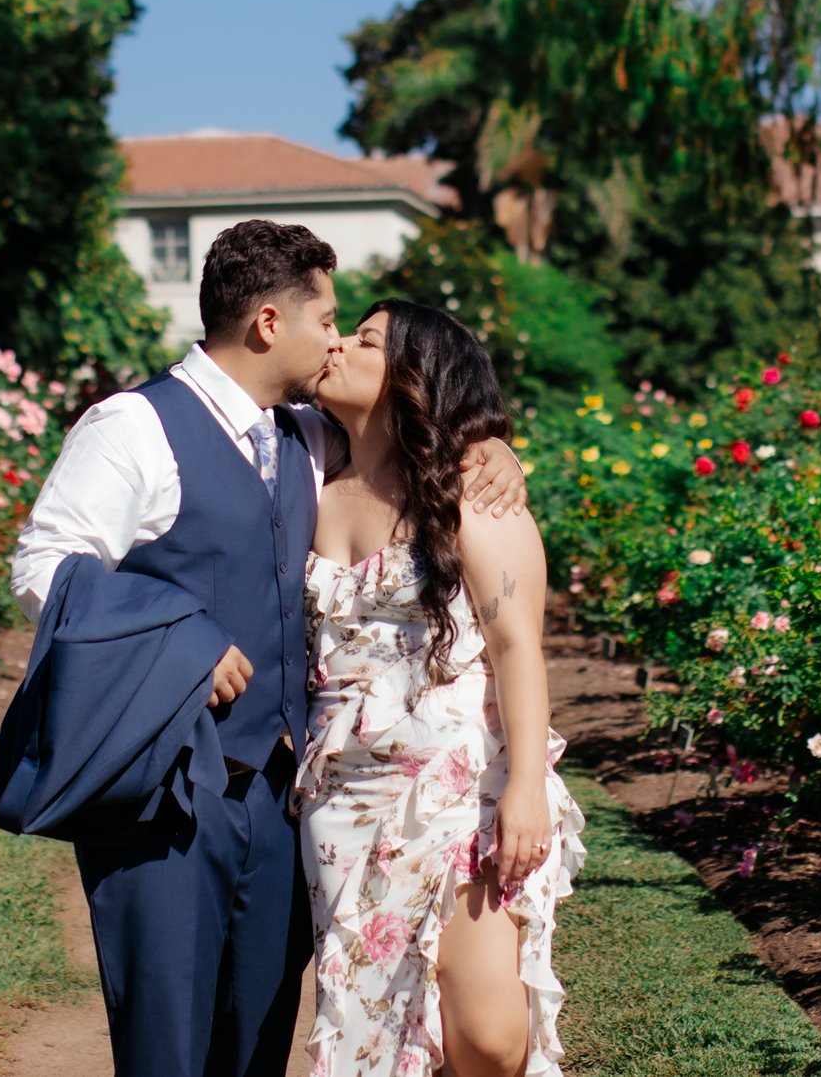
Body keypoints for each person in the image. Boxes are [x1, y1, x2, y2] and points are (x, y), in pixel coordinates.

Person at [7, 220, 526, 1077]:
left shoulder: (303, 436)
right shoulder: (133, 426)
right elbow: (45, 565)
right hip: (166, 791)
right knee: (168, 1048)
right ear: (269, 326)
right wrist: (177, 639)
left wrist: (487, 445)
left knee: (256, 1040)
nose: (337, 339)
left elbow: (410, 437)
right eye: (328, 320)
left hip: (281, 804)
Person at [299, 298, 586, 1077]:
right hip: (341, 799)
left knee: (489, 1037)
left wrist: (526, 783)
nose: (337, 346)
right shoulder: (307, 476)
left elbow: (520, 643)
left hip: (459, 789)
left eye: (363, 340)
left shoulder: (473, 495)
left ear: (414, 378)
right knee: (377, 1018)